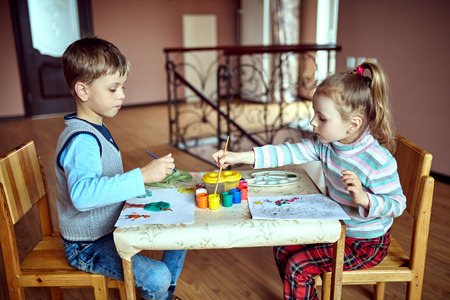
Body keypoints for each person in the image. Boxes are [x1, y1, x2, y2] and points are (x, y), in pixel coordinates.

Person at [211, 60, 406, 299]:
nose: (312, 122)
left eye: (322, 118)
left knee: (298, 267)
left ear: (352, 124)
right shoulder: (326, 144)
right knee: (282, 248)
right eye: (314, 114)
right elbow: (285, 152)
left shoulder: (377, 161)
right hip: (336, 228)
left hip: (364, 243)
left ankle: (300, 288)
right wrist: (237, 157)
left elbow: (397, 204)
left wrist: (366, 200)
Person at [55, 37, 186, 300]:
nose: (123, 95)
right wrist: (141, 176)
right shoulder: (83, 141)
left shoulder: (95, 128)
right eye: (113, 89)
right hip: (88, 245)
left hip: (112, 227)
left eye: (122, 87)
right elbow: (82, 196)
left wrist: (145, 181)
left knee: (182, 224)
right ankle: (163, 289)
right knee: (157, 275)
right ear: (83, 91)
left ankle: (165, 295)